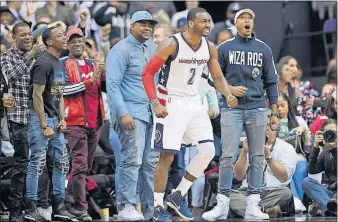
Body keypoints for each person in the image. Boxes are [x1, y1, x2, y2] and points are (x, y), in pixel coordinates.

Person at [141, 7, 238, 221]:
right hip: (170, 101)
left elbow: (218, 77)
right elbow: (147, 73)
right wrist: (155, 102)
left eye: (209, 21)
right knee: (167, 156)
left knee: (208, 151)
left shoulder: (209, 47)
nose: (208, 25)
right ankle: (158, 207)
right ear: (191, 23)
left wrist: (228, 94)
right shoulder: (171, 44)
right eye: (203, 21)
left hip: (193, 101)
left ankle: (177, 195)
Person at [202, 8, 279, 221]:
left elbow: (271, 81)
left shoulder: (264, 49)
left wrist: (274, 112)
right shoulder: (224, 48)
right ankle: (222, 205)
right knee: (227, 156)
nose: (247, 21)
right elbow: (211, 77)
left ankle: (253, 205)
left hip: (257, 108)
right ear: (235, 24)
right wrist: (230, 91)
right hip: (232, 108)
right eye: (243, 18)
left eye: (250, 18)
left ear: (253, 24)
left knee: (257, 156)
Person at [106, 11, 158, 221]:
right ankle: (126, 206)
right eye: (143, 24)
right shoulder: (120, 50)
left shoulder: (152, 48)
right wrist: (123, 113)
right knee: (131, 160)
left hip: (150, 114)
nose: (147, 28)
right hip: (130, 113)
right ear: (132, 26)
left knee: (149, 165)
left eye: (150, 24)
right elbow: (112, 85)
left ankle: (149, 210)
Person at [25, 27, 75, 222]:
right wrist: (44, 124)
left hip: (55, 120)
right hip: (40, 119)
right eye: (60, 36)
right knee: (37, 163)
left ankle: (59, 207)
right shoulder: (43, 63)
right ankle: (31, 208)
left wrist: (62, 119)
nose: (65, 38)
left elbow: (59, 95)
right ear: (49, 42)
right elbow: (36, 95)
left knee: (61, 162)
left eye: (64, 35)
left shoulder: (59, 63)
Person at [0, 22, 45, 222]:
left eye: (30, 34)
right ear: (13, 37)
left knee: (38, 164)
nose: (28, 37)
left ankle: (36, 207)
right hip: (17, 119)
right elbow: (9, 77)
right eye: (23, 35)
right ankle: (15, 212)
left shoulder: (39, 58)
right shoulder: (6, 57)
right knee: (21, 166)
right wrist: (30, 56)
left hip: (37, 118)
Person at [60, 27, 106, 221]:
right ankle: (80, 208)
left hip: (94, 123)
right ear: (68, 45)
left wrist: (103, 76)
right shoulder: (61, 64)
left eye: (80, 40)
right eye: (73, 41)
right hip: (74, 123)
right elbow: (61, 91)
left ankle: (67, 201)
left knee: (84, 167)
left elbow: (103, 88)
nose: (77, 44)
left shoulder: (93, 63)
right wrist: (91, 81)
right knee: (79, 166)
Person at [229, 113, 297, 218]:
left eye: (271, 126)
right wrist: (244, 152)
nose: (266, 129)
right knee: (227, 195)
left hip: (273, 192)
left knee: (286, 194)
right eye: (263, 125)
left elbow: (284, 177)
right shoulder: (250, 145)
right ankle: (265, 211)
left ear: (277, 129)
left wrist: (268, 157)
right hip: (247, 192)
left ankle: (249, 211)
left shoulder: (286, 148)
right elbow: (238, 176)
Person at [302, 119, 337, 216]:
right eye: (328, 132)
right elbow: (312, 170)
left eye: (334, 132)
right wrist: (316, 147)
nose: (331, 135)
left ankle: (328, 208)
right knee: (306, 182)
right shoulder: (325, 153)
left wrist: (335, 148)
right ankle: (330, 209)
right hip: (330, 195)